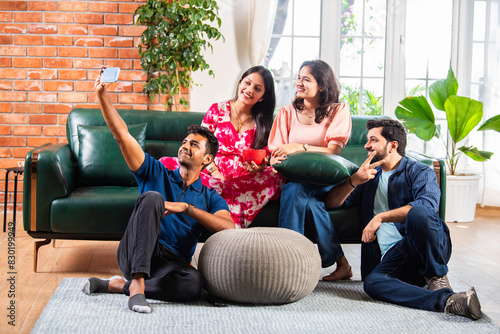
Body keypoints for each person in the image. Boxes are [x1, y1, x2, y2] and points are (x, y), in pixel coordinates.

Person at [82, 67, 235, 314]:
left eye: (194, 145)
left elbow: (229, 228)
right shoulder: (155, 171)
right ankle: (138, 288)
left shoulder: (209, 197)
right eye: (185, 142)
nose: (185, 146)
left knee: (193, 285)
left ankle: (120, 286)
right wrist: (101, 95)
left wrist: (187, 209)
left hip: (171, 263)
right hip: (135, 252)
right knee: (153, 197)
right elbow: (122, 135)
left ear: (207, 160)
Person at [325, 118, 482, 320]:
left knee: (419, 212)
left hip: (425, 247)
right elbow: (332, 203)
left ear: (393, 145)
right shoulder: (368, 178)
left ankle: (436, 276)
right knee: (372, 283)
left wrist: (381, 217)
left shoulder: (419, 171)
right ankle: (449, 302)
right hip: (395, 259)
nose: (366, 145)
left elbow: (427, 206)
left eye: (373, 140)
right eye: (367, 140)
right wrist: (354, 180)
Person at [160, 66, 284, 228]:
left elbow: (264, 160)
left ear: (262, 97)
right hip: (210, 172)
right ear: (240, 83)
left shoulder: (265, 123)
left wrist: (257, 169)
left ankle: (222, 193)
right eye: (247, 83)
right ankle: (222, 193)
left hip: (241, 180)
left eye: (257, 88)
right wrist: (215, 172)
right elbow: (200, 145)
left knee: (276, 176)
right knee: (164, 163)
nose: (249, 90)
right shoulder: (217, 110)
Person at [268, 60, 352, 277]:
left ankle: (288, 262)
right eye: (298, 78)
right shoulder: (286, 113)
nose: (299, 83)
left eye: (307, 79)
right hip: (295, 178)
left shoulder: (338, 110)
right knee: (309, 202)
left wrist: (299, 147)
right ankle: (341, 264)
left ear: (322, 85)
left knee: (295, 192)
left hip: (326, 181)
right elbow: (276, 150)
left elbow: (333, 151)